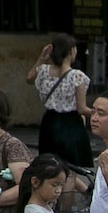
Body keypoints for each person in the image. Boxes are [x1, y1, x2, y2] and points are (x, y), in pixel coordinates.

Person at [27, 34, 93, 165]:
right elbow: (82, 109)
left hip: (49, 122)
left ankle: (77, 187)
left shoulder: (44, 71)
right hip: (70, 123)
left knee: (51, 166)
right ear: (71, 51)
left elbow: (29, 78)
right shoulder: (77, 76)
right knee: (70, 168)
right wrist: (99, 113)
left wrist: (41, 58)